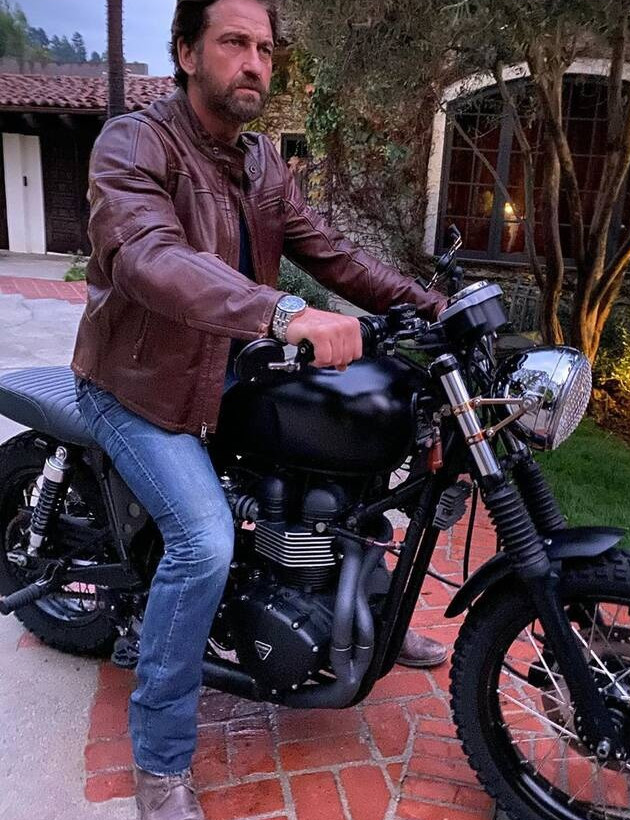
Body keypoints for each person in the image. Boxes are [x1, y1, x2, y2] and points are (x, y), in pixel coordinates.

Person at [70, 1, 448, 817]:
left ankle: (369, 619)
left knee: (354, 466)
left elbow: (330, 252)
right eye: (234, 43)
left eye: (266, 49)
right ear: (186, 52)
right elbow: (148, 256)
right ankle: (160, 763)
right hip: (138, 388)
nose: (254, 63)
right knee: (205, 543)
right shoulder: (134, 145)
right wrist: (281, 312)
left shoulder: (261, 164)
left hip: (228, 374)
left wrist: (434, 306)